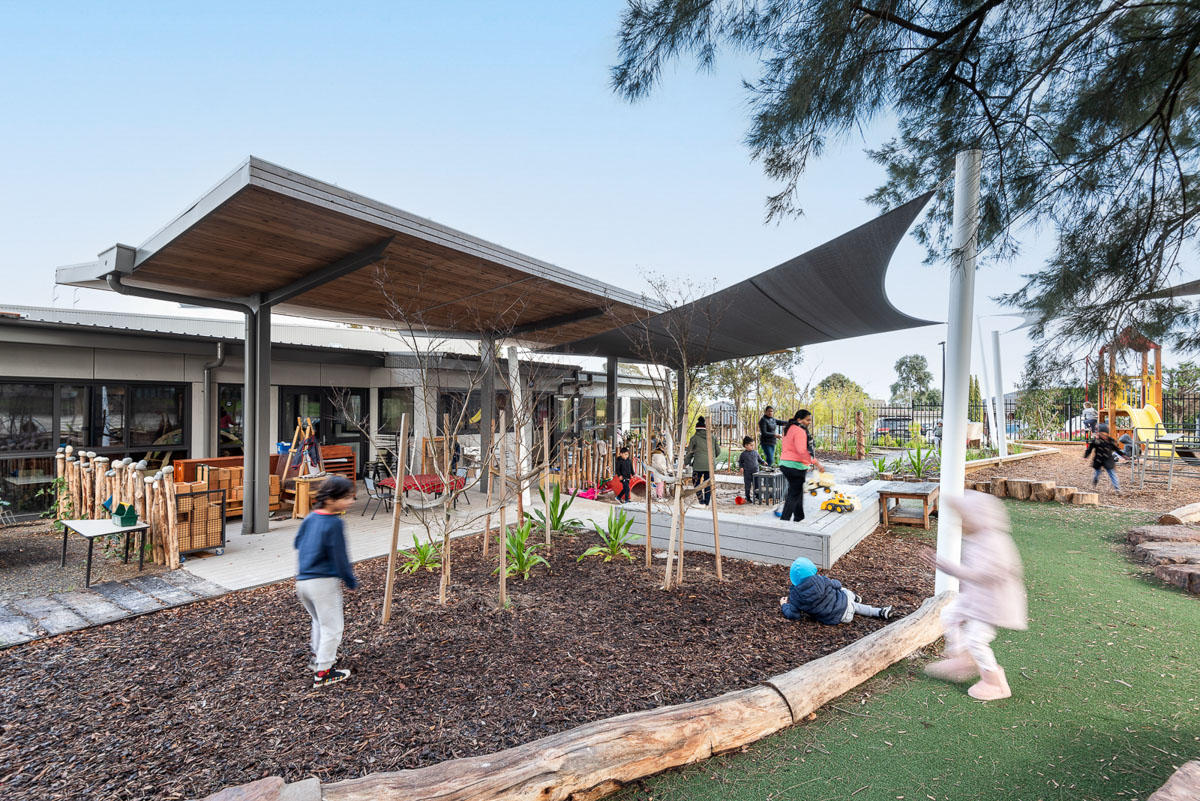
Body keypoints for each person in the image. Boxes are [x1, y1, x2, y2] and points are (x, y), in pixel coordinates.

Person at [922, 491, 1027, 701]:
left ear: (978, 518)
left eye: (965, 518)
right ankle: (961, 658)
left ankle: (995, 682)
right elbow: (971, 574)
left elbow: (988, 574)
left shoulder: (995, 541)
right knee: (949, 614)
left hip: (994, 604)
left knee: (976, 640)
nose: (961, 523)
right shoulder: (977, 539)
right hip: (976, 598)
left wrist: (951, 568)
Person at [294, 476, 358, 688]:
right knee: (333, 627)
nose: (351, 501)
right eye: (347, 498)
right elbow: (340, 557)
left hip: (303, 582)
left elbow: (297, 543)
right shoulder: (334, 523)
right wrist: (350, 580)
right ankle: (324, 672)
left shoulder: (310, 518)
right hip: (323, 583)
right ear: (331, 499)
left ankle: (317, 657)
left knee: (318, 621)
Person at [779, 556, 892, 624]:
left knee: (848, 601)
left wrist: (784, 605)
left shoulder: (794, 596)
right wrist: (835, 584)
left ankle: (856, 600)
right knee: (846, 594)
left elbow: (794, 616)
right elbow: (837, 585)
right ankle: (879, 612)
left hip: (832, 619)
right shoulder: (821, 580)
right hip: (845, 605)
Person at [778, 409, 824, 522]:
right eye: (807, 420)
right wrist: (817, 463)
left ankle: (799, 517)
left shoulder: (788, 429)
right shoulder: (799, 431)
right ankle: (784, 520)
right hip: (796, 466)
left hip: (785, 464)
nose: (809, 422)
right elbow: (802, 450)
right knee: (794, 493)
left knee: (796, 491)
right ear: (799, 419)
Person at [1083, 422, 1124, 493]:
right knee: (1097, 473)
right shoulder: (1096, 441)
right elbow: (1090, 448)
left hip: (1108, 459)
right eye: (1102, 434)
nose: (1103, 436)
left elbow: (1116, 449)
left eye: (1105, 435)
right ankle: (1095, 480)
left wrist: (1122, 454)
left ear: (1107, 434)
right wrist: (1086, 455)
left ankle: (1117, 488)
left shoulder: (1110, 441)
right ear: (1099, 434)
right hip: (1099, 460)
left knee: (1112, 473)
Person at [684, 416, 713, 506]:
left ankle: (701, 500)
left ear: (696, 429)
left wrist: (685, 463)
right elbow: (718, 451)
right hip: (710, 465)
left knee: (696, 481)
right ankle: (707, 502)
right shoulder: (712, 437)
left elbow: (690, 452)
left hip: (698, 465)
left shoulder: (694, 438)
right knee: (708, 482)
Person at [738, 435, 764, 503]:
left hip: (756, 472)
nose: (752, 446)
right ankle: (748, 497)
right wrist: (741, 467)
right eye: (751, 445)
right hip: (747, 473)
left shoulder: (755, 452)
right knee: (748, 485)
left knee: (757, 484)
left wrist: (764, 463)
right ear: (746, 445)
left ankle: (757, 495)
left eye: (753, 445)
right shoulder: (743, 454)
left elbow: (759, 460)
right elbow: (740, 461)